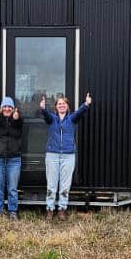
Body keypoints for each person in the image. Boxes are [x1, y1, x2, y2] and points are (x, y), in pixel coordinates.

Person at [39, 92, 92, 220]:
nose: (61, 105)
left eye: (64, 104)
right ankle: (50, 210)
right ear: (56, 107)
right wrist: (43, 109)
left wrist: (86, 104)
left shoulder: (72, 118)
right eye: (59, 104)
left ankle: (62, 209)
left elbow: (80, 112)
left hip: (68, 156)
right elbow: (46, 116)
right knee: (51, 184)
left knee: (65, 184)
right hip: (52, 155)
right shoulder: (52, 119)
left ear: (67, 107)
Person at [0, 96, 22, 220]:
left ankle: (12, 211)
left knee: (12, 188)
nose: (7, 109)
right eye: (5, 106)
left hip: (14, 160)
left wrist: (16, 119)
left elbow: (19, 123)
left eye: (10, 107)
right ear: (2, 108)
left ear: (13, 109)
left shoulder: (18, 120)